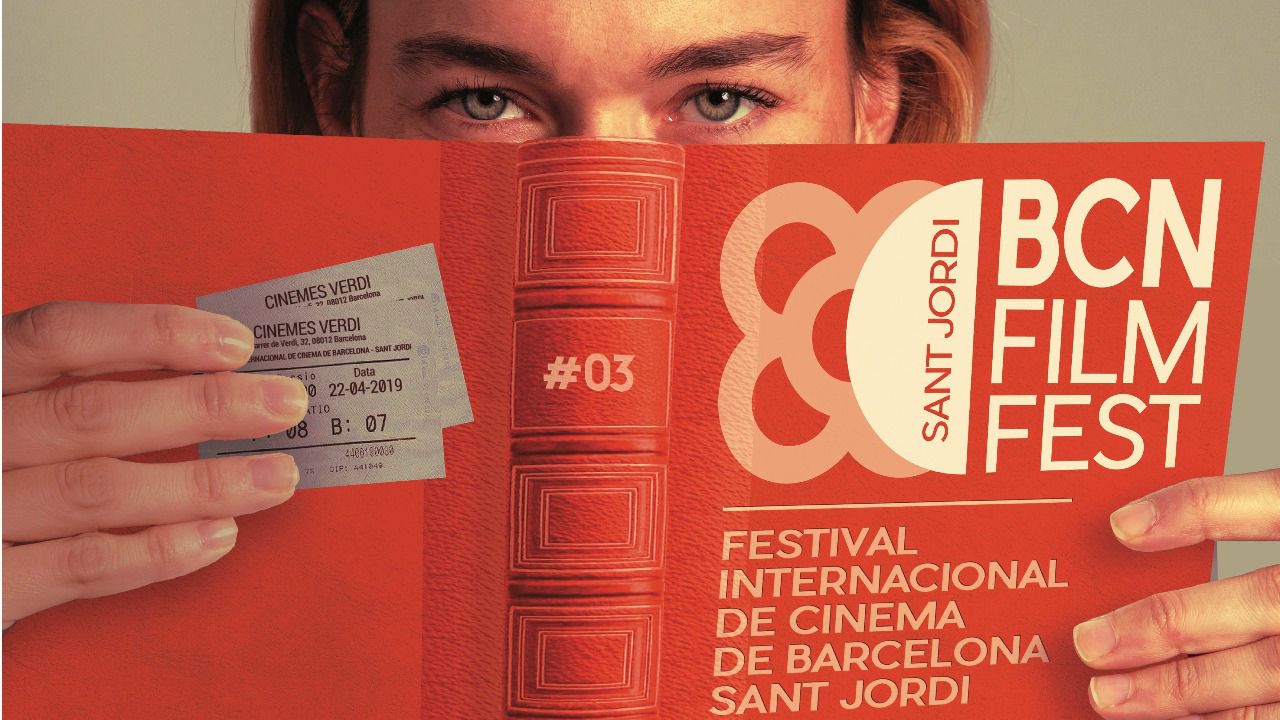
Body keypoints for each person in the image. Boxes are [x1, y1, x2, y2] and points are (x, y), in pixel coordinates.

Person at [3, 1, 1276, 718]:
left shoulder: (1110, 616)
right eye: (484, 101)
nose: (601, 198)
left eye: (719, 100)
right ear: (338, 95)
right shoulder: (96, 534)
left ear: (875, 100)